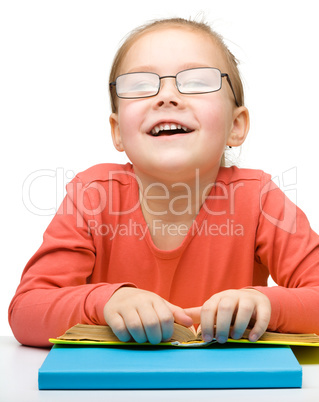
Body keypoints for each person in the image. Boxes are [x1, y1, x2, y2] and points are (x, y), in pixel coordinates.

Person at [9, 18, 319, 347]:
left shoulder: (259, 199)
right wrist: (108, 302)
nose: (167, 96)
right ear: (117, 131)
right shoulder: (93, 194)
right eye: (141, 85)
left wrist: (265, 304)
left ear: (236, 126)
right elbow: (26, 311)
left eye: (198, 81)